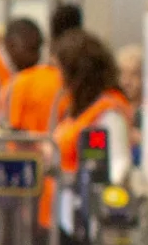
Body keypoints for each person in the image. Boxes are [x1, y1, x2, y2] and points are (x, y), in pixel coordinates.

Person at [49, 30, 132, 175]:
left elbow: (118, 163)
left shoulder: (107, 113)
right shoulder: (80, 110)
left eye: (60, 70)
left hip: (86, 195)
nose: (57, 77)